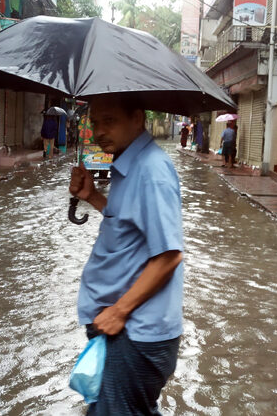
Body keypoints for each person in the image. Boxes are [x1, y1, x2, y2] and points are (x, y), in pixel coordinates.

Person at [69, 94, 184, 415]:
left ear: (137, 118)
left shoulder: (152, 171)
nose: (98, 132)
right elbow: (128, 225)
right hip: (122, 328)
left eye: (109, 121)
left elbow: (169, 256)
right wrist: (91, 196)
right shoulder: (128, 164)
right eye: (94, 123)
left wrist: (119, 311)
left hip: (134, 332)